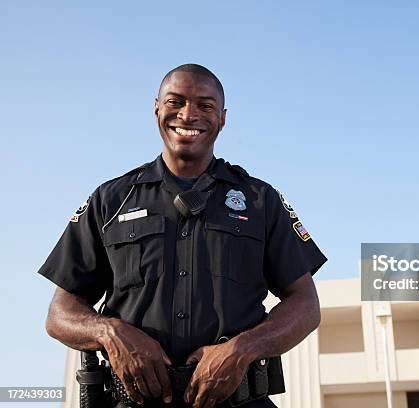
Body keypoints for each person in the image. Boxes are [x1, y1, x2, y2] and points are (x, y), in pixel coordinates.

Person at [38, 64, 327, 408]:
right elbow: (60, 314)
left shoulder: (260, 200)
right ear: (156, 108)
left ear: (222, 118)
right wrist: (110, 334)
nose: (188, 115)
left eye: (205, 106)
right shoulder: (111, 200)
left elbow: (306, 306)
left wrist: (242, 348)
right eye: (175, 102)